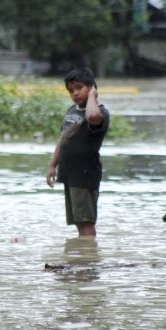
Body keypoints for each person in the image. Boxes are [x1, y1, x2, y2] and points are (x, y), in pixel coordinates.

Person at [46, 68, 110, 238]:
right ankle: (84, 256)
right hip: (70, 174)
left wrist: (92, 97)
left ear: (91, 88)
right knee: (79, 221)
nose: (75, 93)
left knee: (87, 221)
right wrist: (52, 165)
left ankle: (88, 259)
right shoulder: (71, 111)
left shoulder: (101, 112)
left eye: (79, 88)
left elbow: (92, 117)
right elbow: (62, 140)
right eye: (71, 90)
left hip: (85, 174)